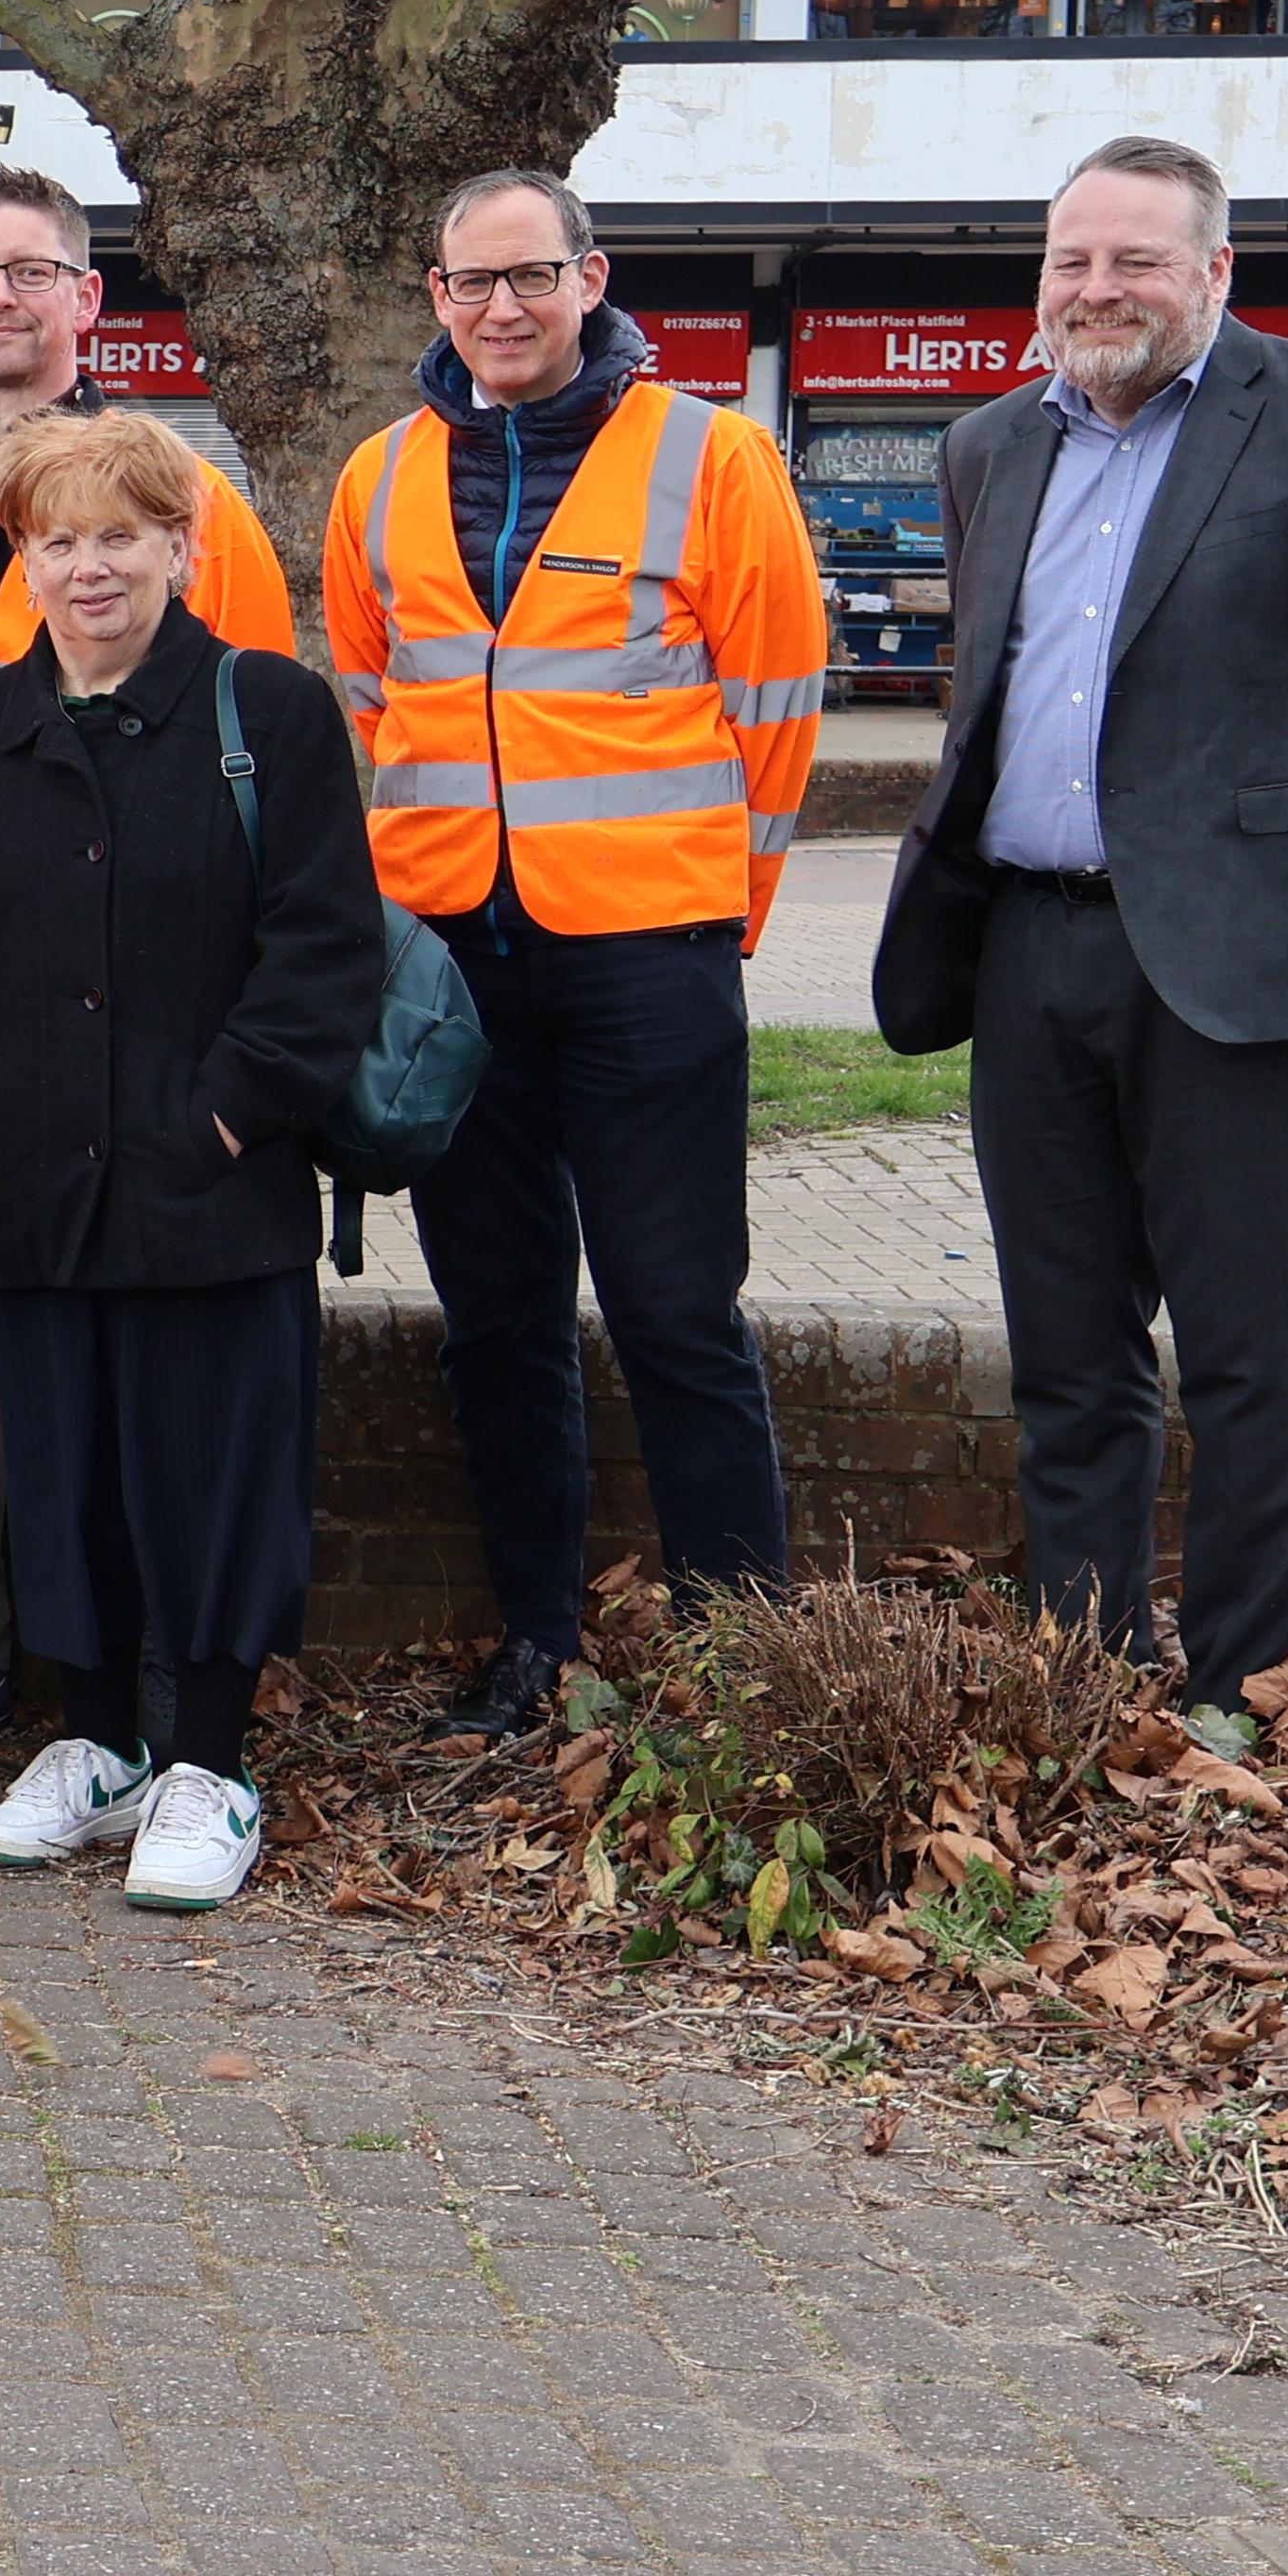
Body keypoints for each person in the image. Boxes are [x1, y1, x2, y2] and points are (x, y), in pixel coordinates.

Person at [872, 135, 1288, 1713]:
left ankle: (1245, 1687)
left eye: (1136, 259)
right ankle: (1083, 1671)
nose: (1097, 288)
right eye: (1071, 260)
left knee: (1246, 1352)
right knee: (1066, 1352)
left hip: (1246, 967)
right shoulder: (991, 444)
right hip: (1026, 947)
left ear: (1217, 274)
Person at [321, 169, 827, 1745]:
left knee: (680, 1311)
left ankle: (748, 1663)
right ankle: (538, 1641)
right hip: (457, 969)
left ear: (592, 278)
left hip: (647, 957)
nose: (502, 308)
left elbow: (779, 705)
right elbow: (367, 696)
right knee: (499, 1320)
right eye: (472, 283)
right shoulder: (379, 477)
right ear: (435, 295)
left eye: (532, 275)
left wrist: (709, 912)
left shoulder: (712, 456)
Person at [0, 165, 305, 1758]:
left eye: (33, 271)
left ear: (89, 301)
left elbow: (265, 754)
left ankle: (162, 1678)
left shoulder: (183, 493)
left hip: (144, 997)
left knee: (142, 1360)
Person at [0, 409, 390, 1914]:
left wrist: (230, 1117)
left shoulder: (272, 713)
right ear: (25, 564)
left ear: (185, 547)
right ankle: (97, 1743)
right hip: (34, 1190)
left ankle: (211, 1764)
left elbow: (324, 949)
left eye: (123, 534)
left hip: (210, 1188)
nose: (90, 566)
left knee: (213, 1481)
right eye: (60, 539)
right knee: (61, 1482)